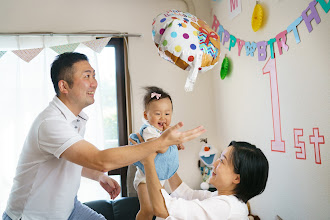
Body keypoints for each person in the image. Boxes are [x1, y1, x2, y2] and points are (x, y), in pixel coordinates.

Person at [2, 52, 205, 220]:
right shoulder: (51, 123)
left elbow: (71, 159)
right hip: (32, 216)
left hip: (68, 209)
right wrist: (160, 143)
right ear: (64, 86)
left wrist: (97, 175)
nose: (94, 83)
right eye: (87, 76)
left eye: (94, 75)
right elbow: (101, 159)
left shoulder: (76, 119)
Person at [134, 138, 269, 220]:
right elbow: (186, 193)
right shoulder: (222, 198)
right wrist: (168, 159)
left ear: (237, 178)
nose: (215, 163)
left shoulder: (226, 207)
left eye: (222, 161)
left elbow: (162, 208)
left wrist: (148, 161)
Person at [130, 86, 182, 220]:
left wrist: (177, 142)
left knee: (159, 210)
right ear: (146, 115)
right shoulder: (149, 130)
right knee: (147, 210)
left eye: (167, 113)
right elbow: (161, 148)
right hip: (144, 179)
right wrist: (169, 138)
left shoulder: (163, 132)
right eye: (158, 114)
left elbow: (173, 144)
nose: (163, 118)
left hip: (159, 178)